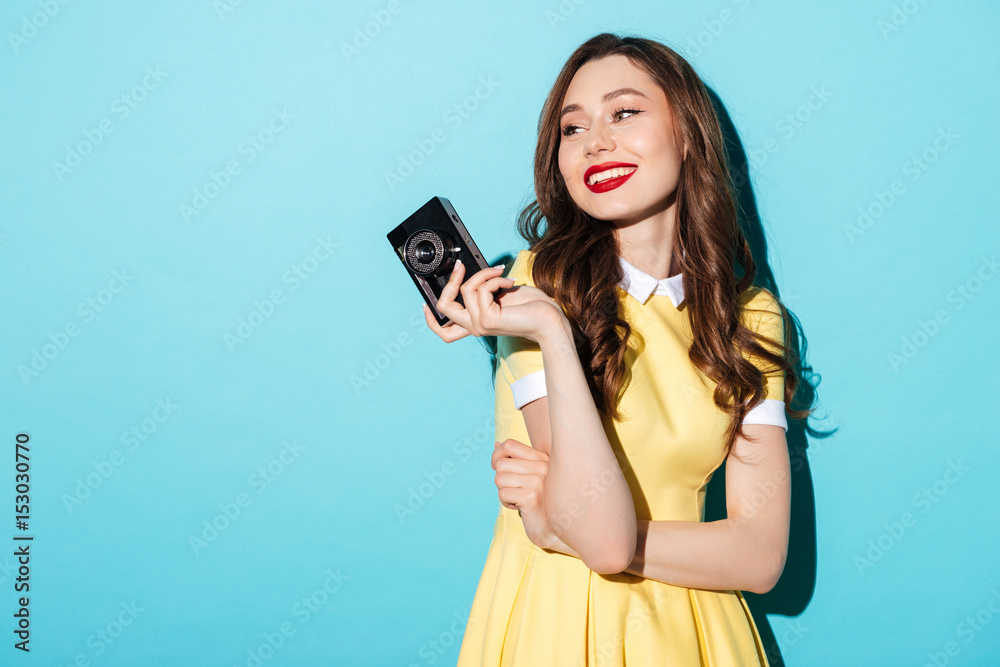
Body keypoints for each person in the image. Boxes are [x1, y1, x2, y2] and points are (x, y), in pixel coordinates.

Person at [422, 32, 808, 666]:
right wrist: (549, 331)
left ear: (687, 133)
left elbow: (761, 559)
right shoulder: (538, 285)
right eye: (572, 130)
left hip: (699, 634)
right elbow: (599, 543)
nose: (595, 140)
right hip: (557, 626)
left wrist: (565, 527)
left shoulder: (752, 318)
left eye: (624, 113)